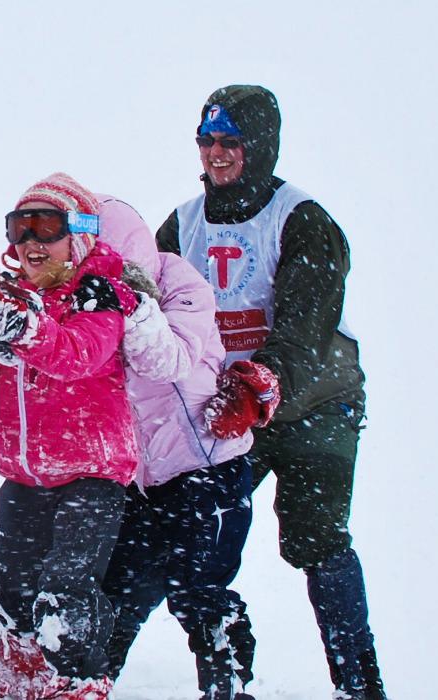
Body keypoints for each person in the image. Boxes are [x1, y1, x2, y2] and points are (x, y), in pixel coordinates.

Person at [157, 84, 384, 699]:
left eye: (231, 141)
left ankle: (359, 685)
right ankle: (224, 681)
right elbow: (149, 315)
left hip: (315, 407)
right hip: (230, 415)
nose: (217, 153)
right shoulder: (182, 225)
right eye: (207, 140)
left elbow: (306, 325)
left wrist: (264, 381)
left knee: (315, 537)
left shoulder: (303, 220)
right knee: (194, 540)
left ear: (261, 147)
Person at [0, 173, 137, 700]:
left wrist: (20, 324)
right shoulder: (14, 297)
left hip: (92, 475)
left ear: (80, 235)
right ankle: (22, 680)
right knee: (16, 592)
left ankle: (80, 680)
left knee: (65, 590)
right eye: (20, 228)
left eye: (46, 227)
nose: (30, 243)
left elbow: (75, 355)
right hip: (22, 477)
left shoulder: (100, 294)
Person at [96, 195, 263, 700]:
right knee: (117, 591)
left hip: (209, 472)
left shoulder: (179, 283)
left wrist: (131, 299)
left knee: (200, 592)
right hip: (145, 482)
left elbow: (167, 359)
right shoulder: (88, 304)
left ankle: (226, 687)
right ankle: (90, 685)